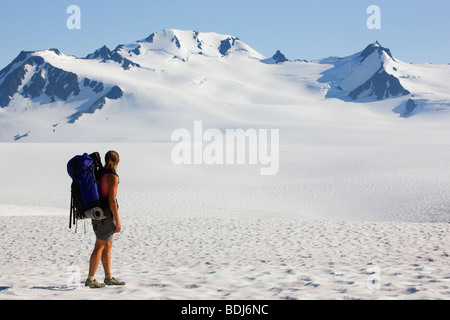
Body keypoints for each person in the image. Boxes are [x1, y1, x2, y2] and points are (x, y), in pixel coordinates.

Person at [85, 150, 125, 288]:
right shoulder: (112, 177)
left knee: (107, 246)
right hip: (106, 215)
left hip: (97, 213)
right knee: (100, 246)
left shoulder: (100, 174)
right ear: (117, 162)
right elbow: (112, 200)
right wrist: (117, 220)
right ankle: (90, 280)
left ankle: (108, 277)